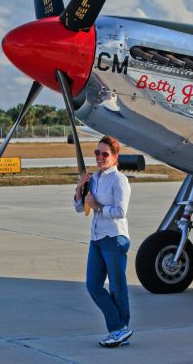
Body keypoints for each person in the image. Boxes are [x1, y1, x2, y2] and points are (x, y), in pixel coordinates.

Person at [73, 135, 132, 348]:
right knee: (93, 285)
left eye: (105, 154)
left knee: (117, 286)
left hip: (115, 238)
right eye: (97, 153)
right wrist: (80, 187)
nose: (100, 157)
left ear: (115, 157)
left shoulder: (120, 180)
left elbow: (120, 211)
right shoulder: (94, 179)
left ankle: (119, 330)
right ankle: (120, 329)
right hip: (97, 238)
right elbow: (81, 207)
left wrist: (98, 206)